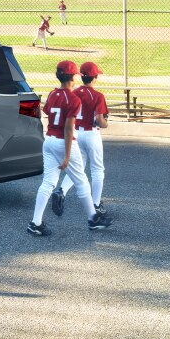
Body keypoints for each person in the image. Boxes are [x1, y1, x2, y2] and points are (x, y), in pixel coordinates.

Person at [28, 60, 112, 236]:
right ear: (72, 77)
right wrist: (67, 155)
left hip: (49, 140)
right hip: (63, 142)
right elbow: (67, 128)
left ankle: (35, 223)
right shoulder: (72, 98)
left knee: (48, 182)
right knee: (81, 180)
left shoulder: (52, 94)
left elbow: (46, 112)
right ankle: (93, 218)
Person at [53, 61, 109, 217]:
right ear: (95, 77)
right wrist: (106, 124)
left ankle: (61, 191)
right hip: (91, 134)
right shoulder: (97, 95)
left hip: (76, 133)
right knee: (97, 169)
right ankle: (96, 204)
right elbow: (99, 120)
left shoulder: (73, 92)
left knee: (79, 167)